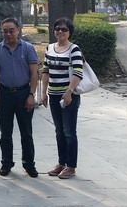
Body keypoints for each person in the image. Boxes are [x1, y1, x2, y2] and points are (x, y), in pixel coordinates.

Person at [0, 17, 39, 177]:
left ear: (18, 30)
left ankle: (29, 164)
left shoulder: (27, 48)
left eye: (11, 31)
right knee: (5, 132)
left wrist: (31, 94)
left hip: (23, 93)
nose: (8, 34)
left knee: (26, 132)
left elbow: (34, 74)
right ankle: (6, 163)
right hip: (5, 93)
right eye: (5, 31)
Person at [41, 17, 83, 179]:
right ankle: (61, 162)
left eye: (64, 29)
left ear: (70, 32)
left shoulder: (74, 49)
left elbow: (78, 73)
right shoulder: (50, 48)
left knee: (69, 131)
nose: (60, 31)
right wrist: (43, 92)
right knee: (59, 131)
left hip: (69, 96)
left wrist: (69, 92)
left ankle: (71, 166)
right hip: (53, 95)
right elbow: (45, 71)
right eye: (57, 28)